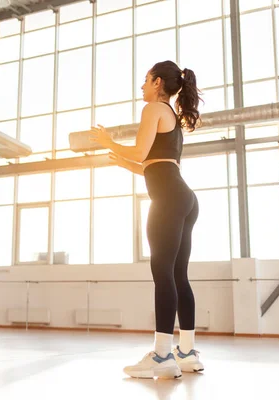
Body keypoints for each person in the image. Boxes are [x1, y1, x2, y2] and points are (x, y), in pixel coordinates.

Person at [89, 61, 204, 379]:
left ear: (156, 83)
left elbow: (141, 152)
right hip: (184, 198)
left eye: (144, 81)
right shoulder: (172, 118)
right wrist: (124, 163)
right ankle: (187, 352)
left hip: (168, 198)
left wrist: (108, 141)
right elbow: (154, 164)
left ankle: (162, 355)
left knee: (163, 273)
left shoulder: (154, 108)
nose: (141, 87)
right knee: (179, 275)